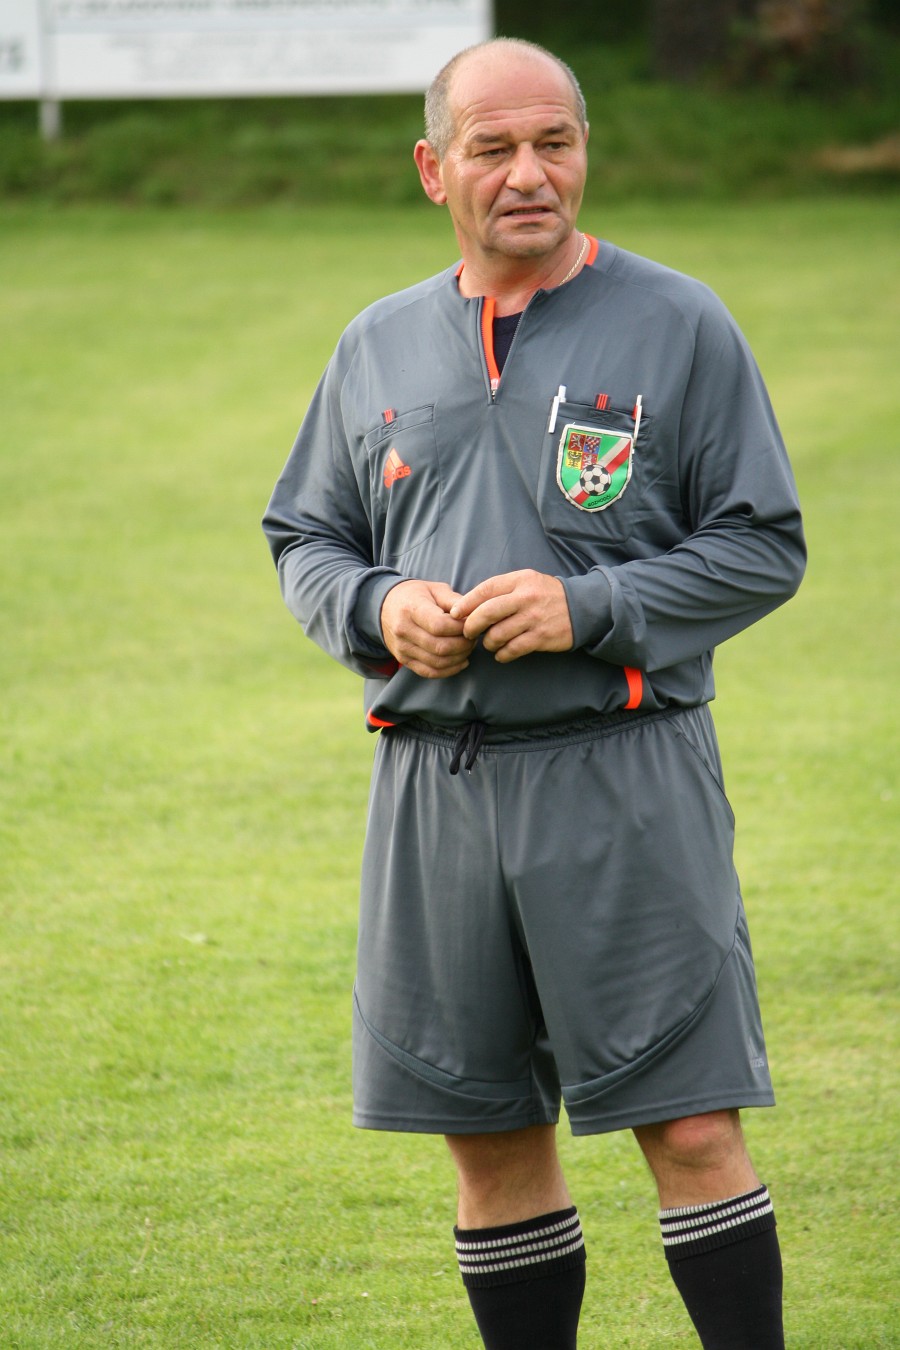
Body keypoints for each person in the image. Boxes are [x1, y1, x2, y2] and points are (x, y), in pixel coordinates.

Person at [263, 37, 805, 1350]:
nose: (527, 174)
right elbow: (307, 537)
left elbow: (761, 544)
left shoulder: (679, 323)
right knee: (490, 1138)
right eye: (493, 148)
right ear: (432, 168)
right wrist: (378, 606)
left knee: (690, 1125)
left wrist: (590, 606)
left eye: (553, 143)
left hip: (625, 773)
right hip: (437, 793)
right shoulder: (378, 343)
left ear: (583, 152)